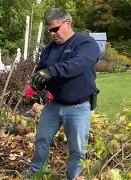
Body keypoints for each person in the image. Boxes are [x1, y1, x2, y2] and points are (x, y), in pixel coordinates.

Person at [28, 8, 100, 180]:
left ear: (67, 23)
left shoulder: (86, 44)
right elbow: (40, 70)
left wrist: (50, 72)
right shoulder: (49, 49)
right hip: (53, 105)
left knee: (77, 149)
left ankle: (73, 177)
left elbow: (77, 64)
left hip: (78, 106)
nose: (52, 34)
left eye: (55, 29)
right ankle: (35, 175)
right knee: (41, 140)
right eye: (50, 30)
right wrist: (38, 85)